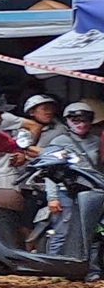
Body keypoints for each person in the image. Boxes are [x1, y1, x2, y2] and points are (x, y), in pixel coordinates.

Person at [37, 103, 100, 255]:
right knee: (61, 230)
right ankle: (53, 270)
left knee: (92, 232)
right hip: (65, 192)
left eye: (85, 120)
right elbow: (49, 171)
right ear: (67, 121)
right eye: (75, 120)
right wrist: (52, 198)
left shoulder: (97, 141)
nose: (81, 124)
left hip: (90, 193)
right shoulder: (59, 142)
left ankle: (89, 270)